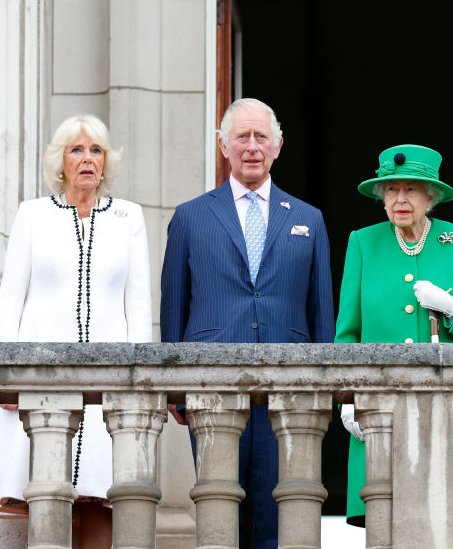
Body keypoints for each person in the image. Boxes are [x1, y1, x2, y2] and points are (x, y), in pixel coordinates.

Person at [160, 98, 334, 548]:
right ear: (223, 145)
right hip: (212, 390)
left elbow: (321, 315)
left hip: (288, 395)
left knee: (281, 521)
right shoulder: (190, 216)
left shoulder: (309, 220)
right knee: (220, 520)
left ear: (278, 146)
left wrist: (326, 387)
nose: (252, 147)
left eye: (261, 137)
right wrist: (175, 388)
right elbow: (174, 307)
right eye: (242, 137)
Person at [0, 114, 152, 547]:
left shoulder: (129, 217)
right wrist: (8, 380)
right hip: (37, 384)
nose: (87, 159)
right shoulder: (32, 216)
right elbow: (11, 300)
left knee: (100, 497)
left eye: (96, 150)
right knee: (36, 496)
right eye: (77, 150)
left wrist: (140, 384)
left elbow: (138, 305)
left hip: (107, 390)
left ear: (106, 162)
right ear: (61, 161)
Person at [336, 144, 453, 526]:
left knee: (442, 520)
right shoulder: (362, 243)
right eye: (391, 190)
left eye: (411, 189)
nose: (400, 199)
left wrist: (450, 307)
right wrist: (347, 397)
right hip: (379, 408)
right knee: (384, 519)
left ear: (431, 196)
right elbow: (347, 334)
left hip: (443, 407)